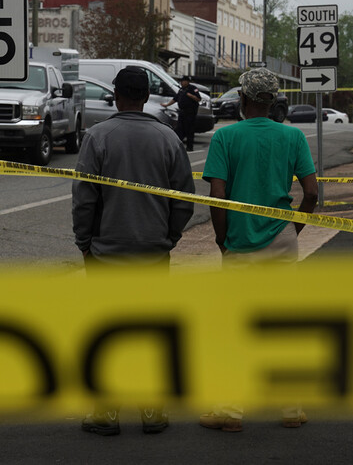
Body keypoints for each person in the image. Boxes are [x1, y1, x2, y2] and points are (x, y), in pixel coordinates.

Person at [72, 65, 195, 436]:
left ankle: (106, 412)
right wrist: (168, 238)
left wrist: (85, 243)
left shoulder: (97, 136)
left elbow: (84, 199)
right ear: (145, 96)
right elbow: (184, 200)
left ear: (116, 94)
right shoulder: (168, 138)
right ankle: (152, 411)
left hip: (107, 252)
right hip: (152, 252)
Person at [198, 67, 319, 433]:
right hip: (282, 240)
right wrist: (291, 230)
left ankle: (230, 412)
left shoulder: (226, 137)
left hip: (240, 242)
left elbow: (217, 197)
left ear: (244, 99)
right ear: (274, 101)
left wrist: (223, 240)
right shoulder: (293, 137)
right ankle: (291, 409)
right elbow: (311, 193)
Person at [162, 75, 201, 151]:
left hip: (190, 113)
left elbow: (198, 98)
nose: (182, 83)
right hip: (182, 112)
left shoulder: (192, 88)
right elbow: (175, 99)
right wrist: (166, 105)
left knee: (189, 130)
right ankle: (178, 146)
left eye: (183, 81)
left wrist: (190, 96)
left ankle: (190, 147)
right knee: (180, 129)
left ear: (187, 81)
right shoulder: (181, 89)